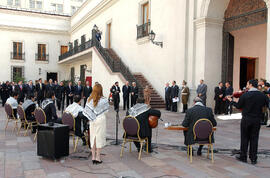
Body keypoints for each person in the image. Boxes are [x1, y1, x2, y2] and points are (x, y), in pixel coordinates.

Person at [227, 80, 268, 164]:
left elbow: (238, 106)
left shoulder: (245, 95)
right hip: (257, 120)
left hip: (246, 119)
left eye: (247, 84)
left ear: (251, 85)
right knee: (254, 138)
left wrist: (231, 100)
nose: (246, 85)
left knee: (244, 138)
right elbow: (267, 104)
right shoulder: (262, 95)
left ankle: (243, 157)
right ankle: (253, 158)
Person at [83, 84, 109, 164]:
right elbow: (106, 111)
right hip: (100, 119)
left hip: (92, 121)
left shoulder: (89, 99)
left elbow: (86, 111)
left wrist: (92, 116)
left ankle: (93, 157)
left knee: (93, 138)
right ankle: (98, 158)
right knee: (99, 138)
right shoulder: (104, 100)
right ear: (101, 90)